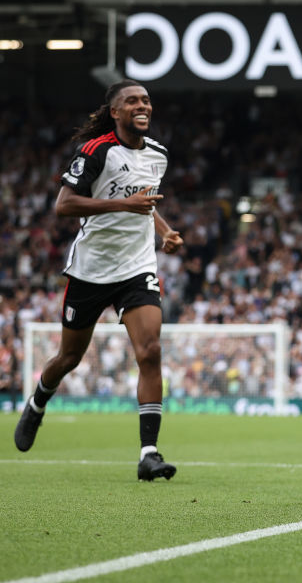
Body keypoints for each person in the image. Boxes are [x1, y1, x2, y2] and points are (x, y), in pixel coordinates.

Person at [13, 80, 183, 482]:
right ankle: (38, 401)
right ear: (116, 112)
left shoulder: (157, 155)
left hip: (136, 267)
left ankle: (149, 453)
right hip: (91, 270)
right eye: (131, 101)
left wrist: (163, 229)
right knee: (69, 358)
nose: (142, 105)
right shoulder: (96, 151)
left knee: (151, 350)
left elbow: (145, 201)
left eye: (145, 100)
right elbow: (65, 204)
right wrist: (124, 204)